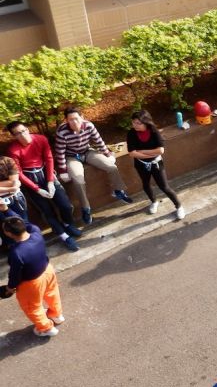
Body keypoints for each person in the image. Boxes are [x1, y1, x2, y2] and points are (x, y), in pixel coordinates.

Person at [6, 121, 83, 252]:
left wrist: (50, 181)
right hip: (30, 180)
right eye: (18, 133)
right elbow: (19, 173)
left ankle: (67, 224)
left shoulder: (41, 139)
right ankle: (64, 236)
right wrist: (37, 189)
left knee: (65, 205)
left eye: (24, 130)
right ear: (14, 136)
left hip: (45, 174)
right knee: (47, 211)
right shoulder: (13, 150)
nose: (23, 135)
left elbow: (49, 158)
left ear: (27, 128)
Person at [54, 107, 133, 225]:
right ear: (66, 120)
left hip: (87, 151)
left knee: (111, 167)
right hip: (71, 157)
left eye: (76, 118)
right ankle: (86, 208)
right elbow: (59, 152)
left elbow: (98, 141)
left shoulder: (89, 126)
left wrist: (107, 154)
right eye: (70, 120)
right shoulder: (62, 132)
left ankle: (118, 190)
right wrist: (63, 170)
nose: (74, 122)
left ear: (82, 117)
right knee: (79, 181)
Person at [1, 216, 64, 337]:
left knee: (32, 307)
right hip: (47, 271)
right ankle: (56, 315)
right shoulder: (36, 232)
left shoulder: (16, 253)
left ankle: (46, 329)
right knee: (52, 293)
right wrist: (6, 210)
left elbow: (15, 274)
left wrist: (10, 287)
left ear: (9, 233)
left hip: (32, 283)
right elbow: (26, 223)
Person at [126, 110, 185, 220]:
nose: (135, 125)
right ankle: (154, 202)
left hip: (156, 163)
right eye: (133, 122)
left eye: (138, 123)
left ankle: (179, 206)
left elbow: (160, 150)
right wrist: (150, 153)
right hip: (141, 165)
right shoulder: (131, 133)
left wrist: (142, 152)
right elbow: (132, 153)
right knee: (146, 185)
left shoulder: (154, 132)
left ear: (146, 122)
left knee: (164, 187)